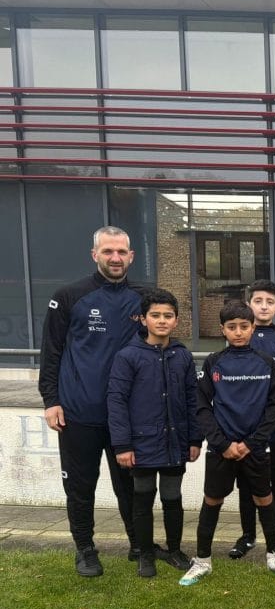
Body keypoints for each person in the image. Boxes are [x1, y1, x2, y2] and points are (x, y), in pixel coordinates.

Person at [38, 226, 144, 577]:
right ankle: (85, 549)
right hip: (78, 411)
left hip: (126, 415)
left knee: (130, 486)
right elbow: (51, 352)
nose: (115, 258)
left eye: (121, 252)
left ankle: (139, 545)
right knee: (80, 487)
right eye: (108, 251)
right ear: (94, 254)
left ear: (131, 256)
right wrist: (50, 400)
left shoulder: (144, 298)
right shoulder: (69, 296)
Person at [179, 301, 275, 586]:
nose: (238, 332)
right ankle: (202, 561)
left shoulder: (266, 362)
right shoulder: (213, 362)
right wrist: (222, 443)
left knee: (264, 499)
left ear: (253, 328)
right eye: (232, 327)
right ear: (223, 330)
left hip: (255, 448)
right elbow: (201, 406)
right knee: (212, 500)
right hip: (222, 449)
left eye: (244, 326)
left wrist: (252, 442)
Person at [107, 289, 202, 578]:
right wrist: (122, 445)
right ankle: (145, 553)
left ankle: (174, 550)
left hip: (175, 443)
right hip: (142, 443)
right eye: (155, 315)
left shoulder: (182, 355)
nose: (162, 321)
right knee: (143, 498)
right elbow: (117, 401)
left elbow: (192, 399)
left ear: (176, 320)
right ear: (143, 319)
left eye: (168, 316)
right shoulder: (128, 356)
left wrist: (194, 439)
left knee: (172, 498)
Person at [228, 280, 275, 560]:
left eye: (269, 302)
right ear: (249, 304)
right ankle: (247, 536)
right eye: (258, 301)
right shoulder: (240, 337)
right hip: (244, 428)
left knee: (274, 482)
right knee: (246, 484)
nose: (263, 307)